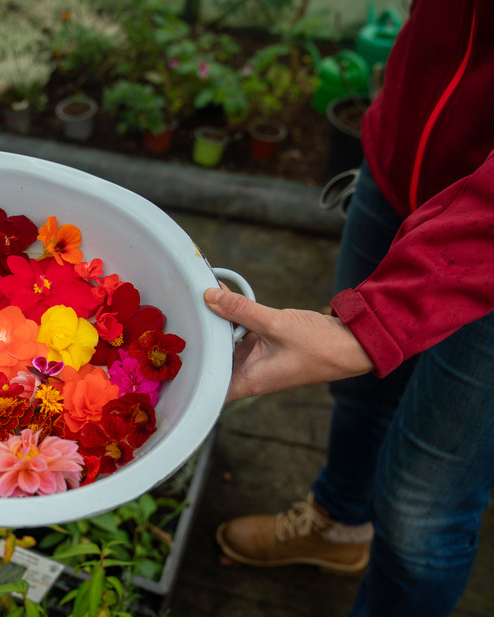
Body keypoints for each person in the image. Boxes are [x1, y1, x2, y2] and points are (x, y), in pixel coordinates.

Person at [201, 1, 494, 616]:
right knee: (360, 397)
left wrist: (372, 328)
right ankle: (338, 525)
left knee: (421, 512)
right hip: (399, 170)